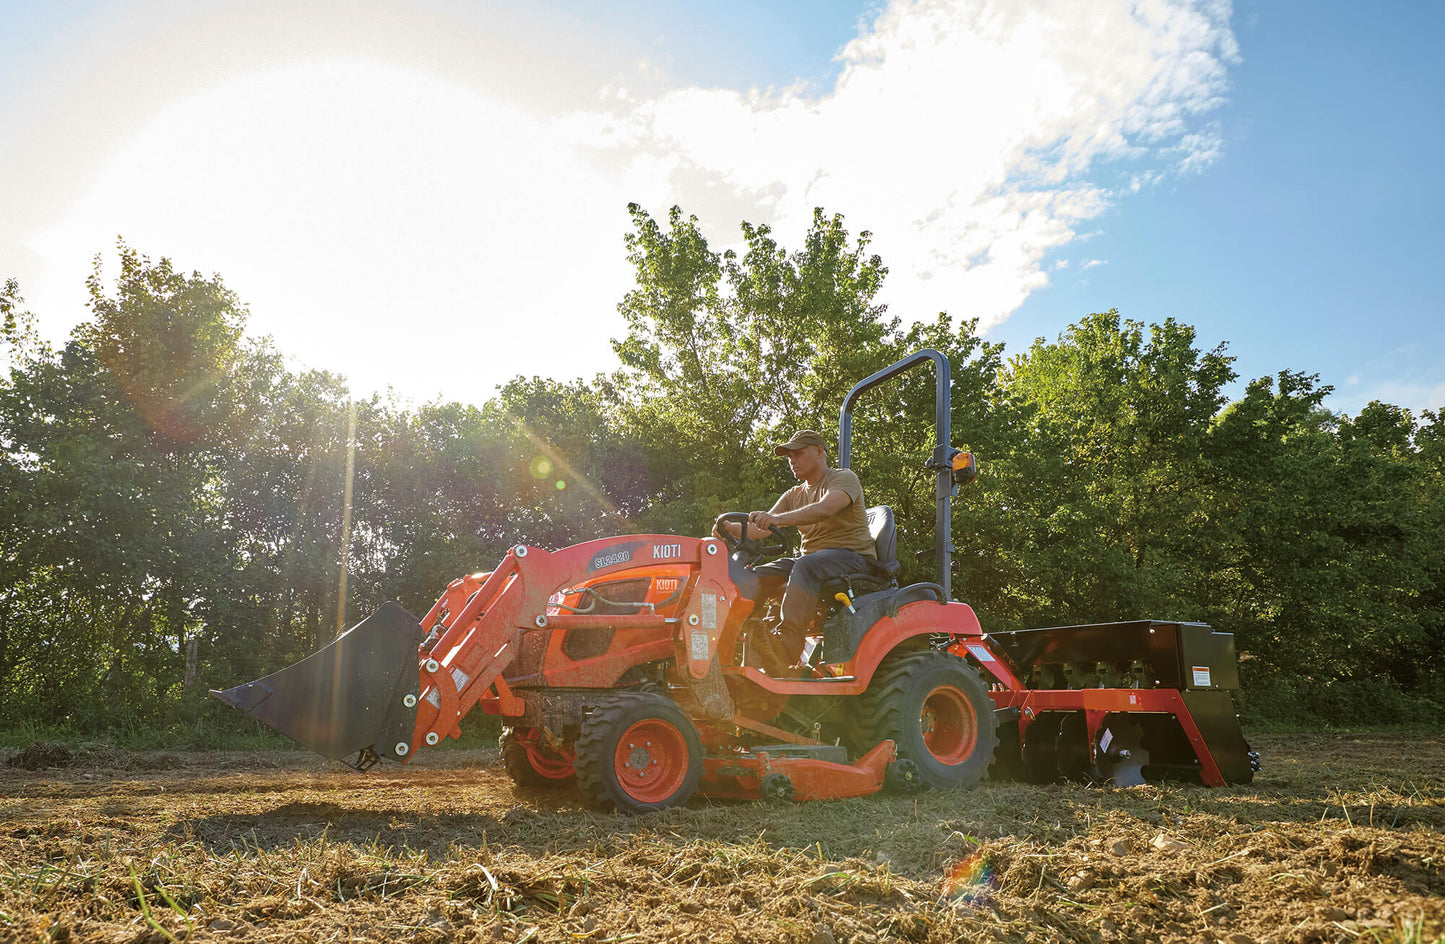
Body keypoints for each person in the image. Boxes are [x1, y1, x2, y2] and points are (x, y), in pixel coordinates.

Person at [713, 429, 883, 675]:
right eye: (789, 456)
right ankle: (735, 646)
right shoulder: (794, 494)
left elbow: (824, 508)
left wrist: (776, 519)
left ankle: (785, 647)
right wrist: (729, 528)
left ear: (820, 452)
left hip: (854, 559)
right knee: (754, 576)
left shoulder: (843, 478)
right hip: (813, 561)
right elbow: (761, 529)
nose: (792, 460)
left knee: (806, 565)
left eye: (799, 454)